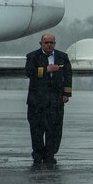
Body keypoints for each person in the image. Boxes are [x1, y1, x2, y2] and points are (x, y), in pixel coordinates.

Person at [24, 33, 72, 165]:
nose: (49, 45)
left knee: (54, 130)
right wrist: (46, 69)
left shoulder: (62, 57)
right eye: (46, 42)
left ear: (55, 44)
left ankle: (50, 154)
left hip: (55, 101)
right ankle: (38, 155)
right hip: (36, 102)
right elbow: (29, 72)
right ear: (41, 44)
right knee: (37, 130)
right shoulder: (32, 56)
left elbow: (68, 75)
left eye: (51, 42)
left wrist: (66, 94)